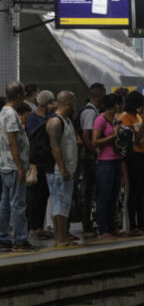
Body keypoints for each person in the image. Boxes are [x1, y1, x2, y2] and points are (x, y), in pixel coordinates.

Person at [0, 82, 35, 252]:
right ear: (20, 96)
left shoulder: (3, 112)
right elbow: (13, 142)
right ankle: (20, 240)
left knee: (5, 203)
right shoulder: (12, 114)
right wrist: (20, 167)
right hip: (14, 167)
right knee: (18, 204)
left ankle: (2, 238)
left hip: (5, 165)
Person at [120, 91, 144, 236]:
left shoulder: (138, 117)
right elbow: (136, 137)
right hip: (134, 156)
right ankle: (133, 226)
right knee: (134, 191)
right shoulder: (126, 118)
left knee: (142, 192)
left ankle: (141, 224)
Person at [46, 91, 78, 247]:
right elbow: (54, 147)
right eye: (73, 100)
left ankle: (62, 235)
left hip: (67, 170)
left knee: (64, 204)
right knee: (59, 204)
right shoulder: (55, 122)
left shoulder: (67, 121)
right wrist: (62, 168)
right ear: (67, 102)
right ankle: (60, 238)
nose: (75, 103)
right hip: (58, 171)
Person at [25, 90, 55, 240]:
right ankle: (33, 227)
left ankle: (41, 227)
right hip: (36, 162)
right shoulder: (32, 118)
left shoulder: (50, 117)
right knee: (34, 197)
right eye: (52, 101)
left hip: (48, 161)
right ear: (46, 103)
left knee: (44, 195)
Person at [92, 94, 123, 239]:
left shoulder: (116, 119)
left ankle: (111, 226)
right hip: (105, 161)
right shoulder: (100, 120)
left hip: (117, 159)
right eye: (117, 104)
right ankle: (102, 228)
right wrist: (113, 136)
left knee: (114, 195)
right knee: (104, 195)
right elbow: (95, 141)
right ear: (113, 105)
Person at [77, 82, 106, 236]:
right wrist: (95, 153)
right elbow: (86, 136)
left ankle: (89, 221)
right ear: (98, 95)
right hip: (88, 158)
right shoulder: (90, 112)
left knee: (90, 189)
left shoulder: (93, 110)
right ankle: (86, 223)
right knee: (88, 190)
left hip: (90, 156)